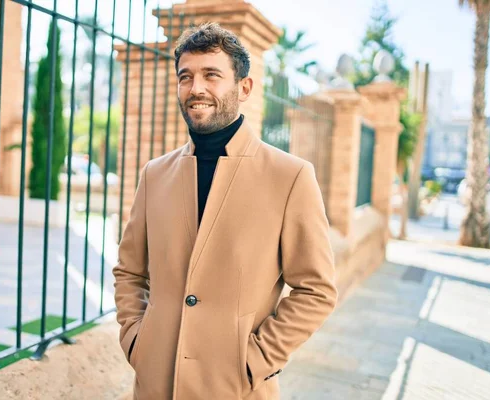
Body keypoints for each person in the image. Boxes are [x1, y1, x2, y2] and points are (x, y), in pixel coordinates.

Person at [113, 22, 338, 400]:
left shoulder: (291, 176)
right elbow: (129, 271)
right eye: (186, 77)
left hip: (237, 389)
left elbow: (316, 291)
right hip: (154, 385)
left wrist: (256, 360)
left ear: (243, 87)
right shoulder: (155, 174)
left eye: (211, 75)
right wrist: (136, 339)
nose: (195, 88)